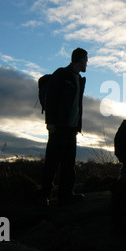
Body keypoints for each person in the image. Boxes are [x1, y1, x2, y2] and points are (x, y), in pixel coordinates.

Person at [39, 47, 88, 206]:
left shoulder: (79, 79)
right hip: (58, 126)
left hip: (71, 128)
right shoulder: (61, 74)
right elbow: (51, 98)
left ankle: (66, 194)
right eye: (86, 60)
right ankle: (44, 195)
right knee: (52, 162)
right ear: (80, 60)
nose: (87, 63)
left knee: (69, 163)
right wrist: (50, 122)